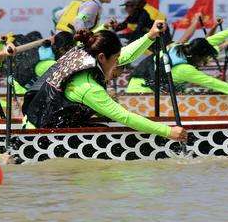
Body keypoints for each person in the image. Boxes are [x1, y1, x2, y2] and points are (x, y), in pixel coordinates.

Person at [23, 24, 187, 143]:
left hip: (42, 123)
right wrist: (168, 132)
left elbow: (125, 55)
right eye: (115, 60)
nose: (118, 64)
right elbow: (125, 117)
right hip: (39, 137)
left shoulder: (84, 52)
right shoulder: (88, 88)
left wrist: (150, 36)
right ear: (102, 57)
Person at [127, 27, 228, 94]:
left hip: (134, 86)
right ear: (198, 56)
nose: (205, 62)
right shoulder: (185, 69)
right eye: (205, 59)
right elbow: (214, 83)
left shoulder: (182, 47)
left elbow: (214, 39)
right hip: (142, 93)